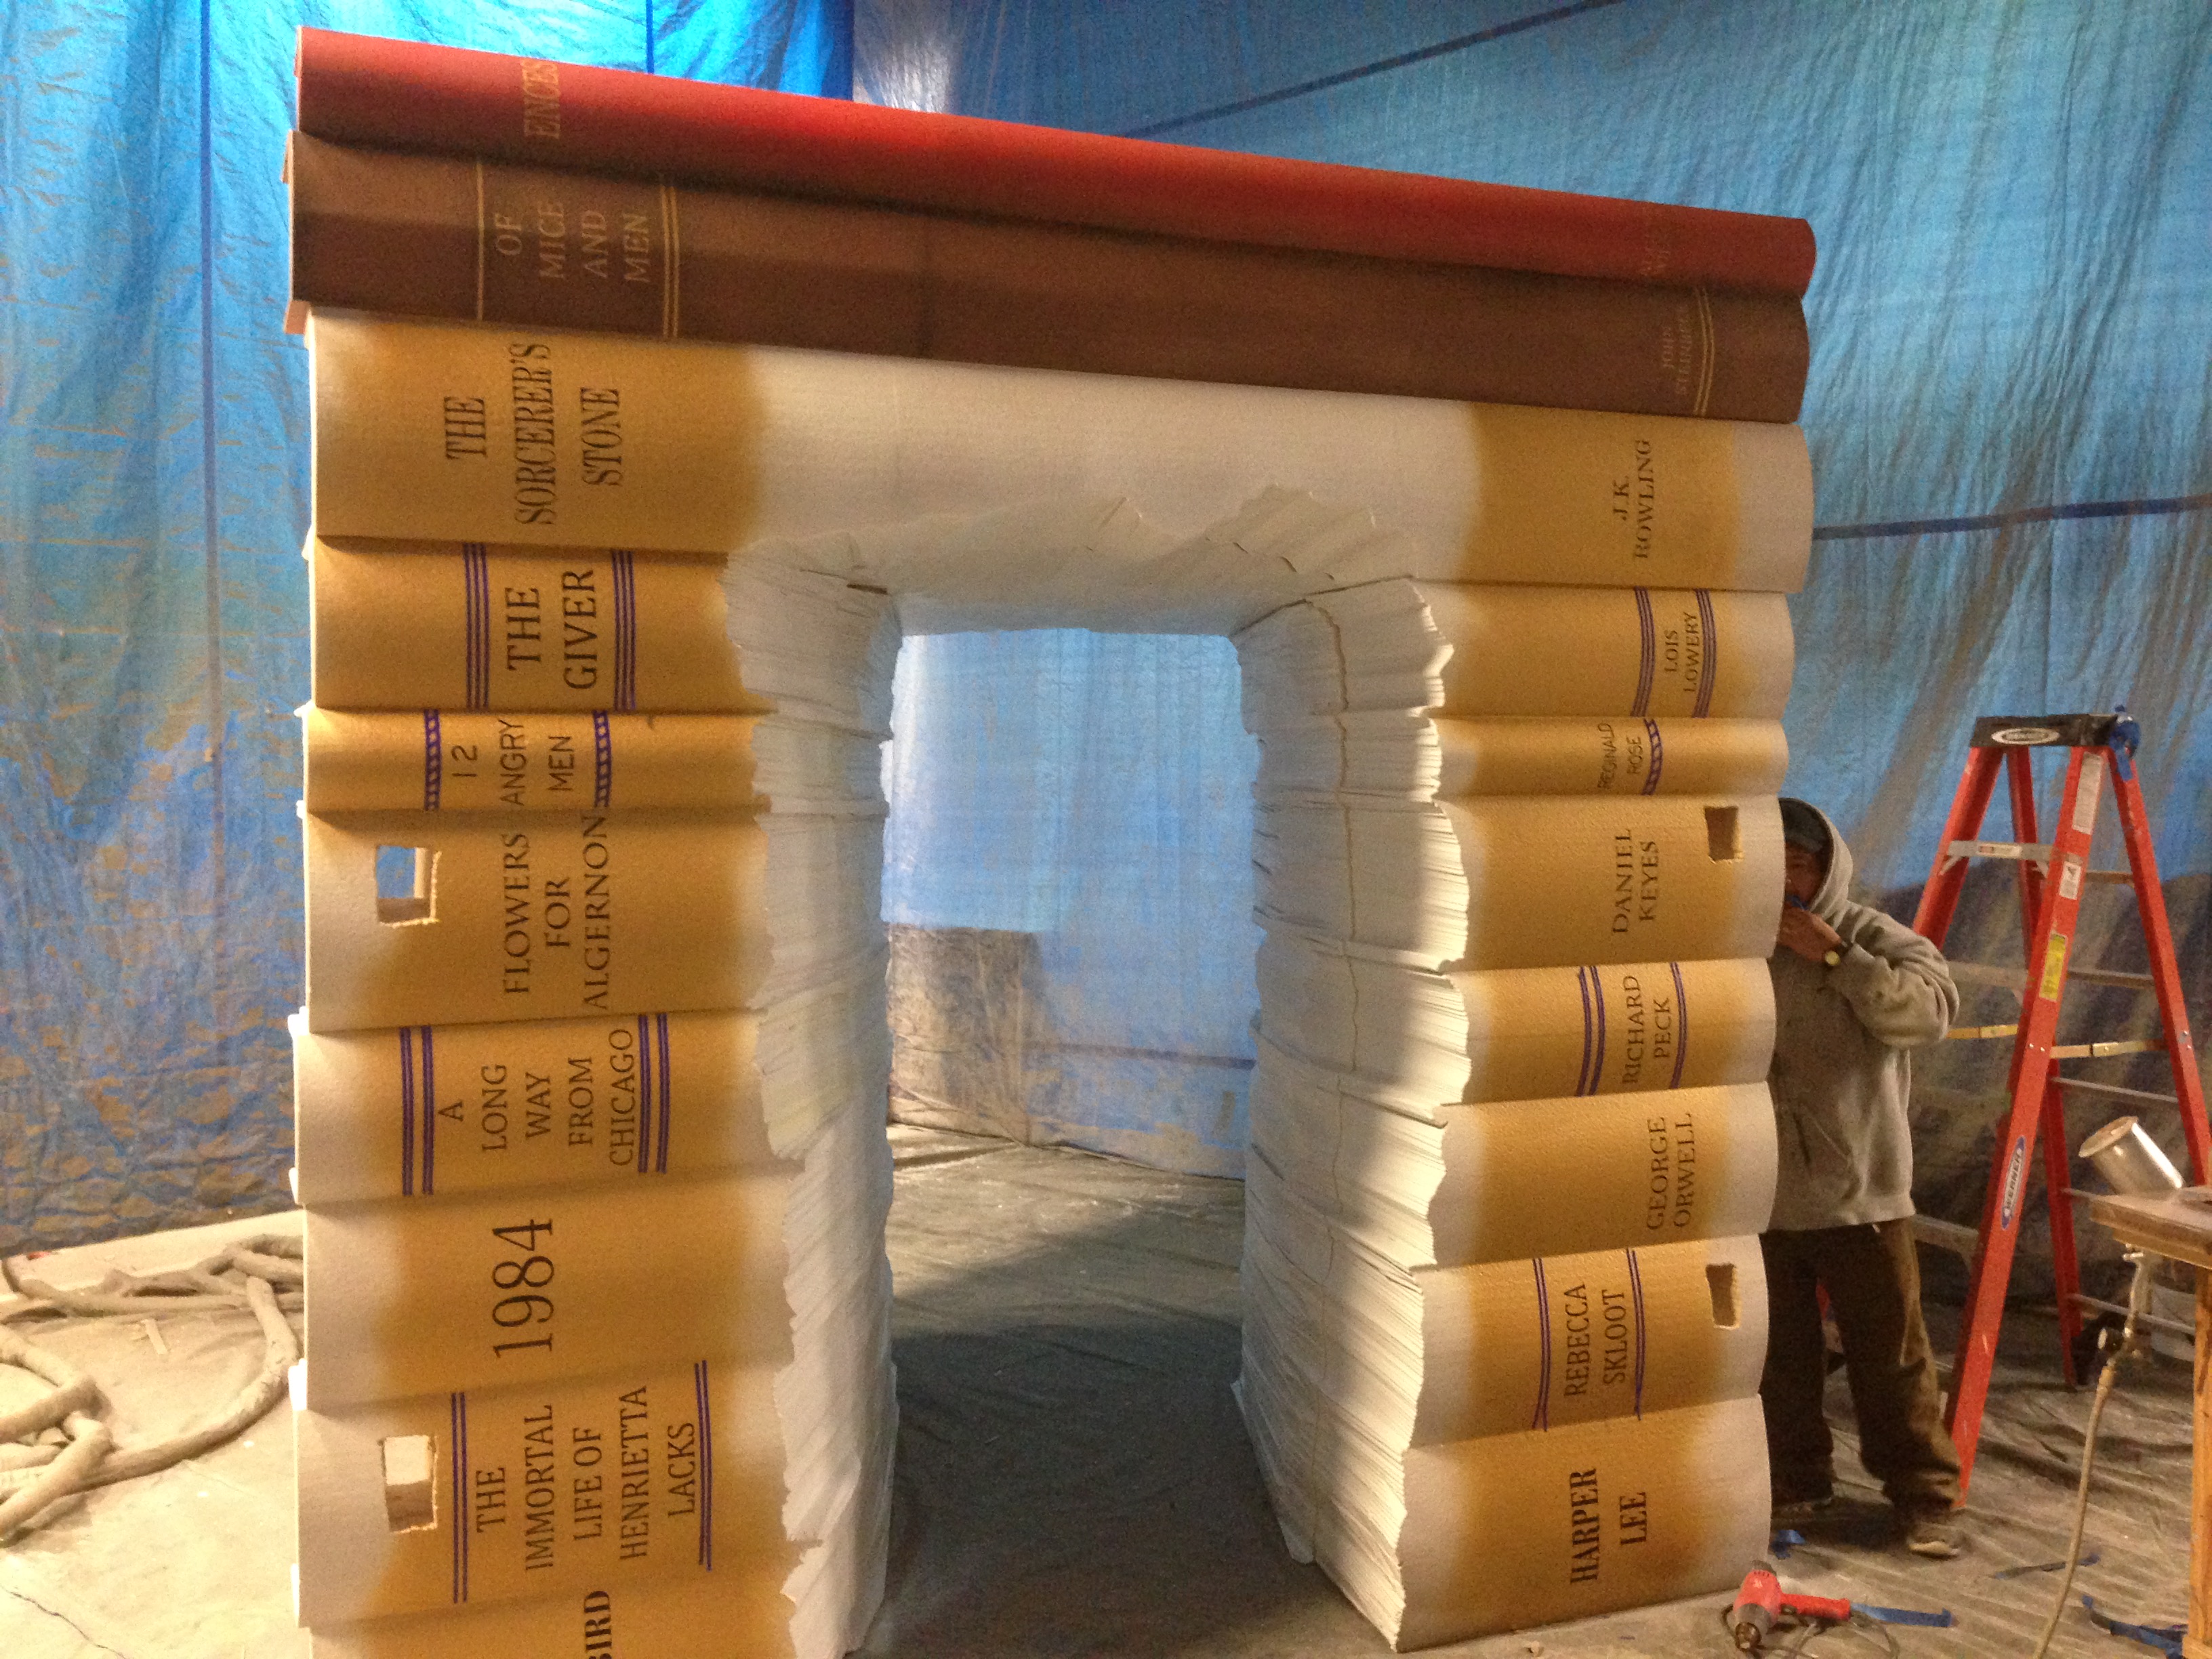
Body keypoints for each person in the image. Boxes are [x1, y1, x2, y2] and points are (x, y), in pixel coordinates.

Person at [1763, 797, 1965, 1558]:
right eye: (1771, 865)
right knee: (1779, 1357)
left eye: (1798, 866)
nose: (1785, 883)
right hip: (1761, 1193)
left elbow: (1926, 1017)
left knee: (1890, 1356)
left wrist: (1837, 957)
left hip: (1861, 1193)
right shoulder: (1732, 945)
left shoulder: (1874, 936)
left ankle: (1925, 1497)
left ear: (1827, 871)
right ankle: (1797, 1482)